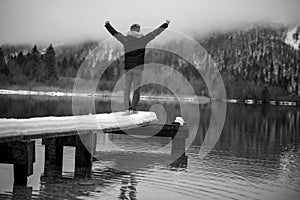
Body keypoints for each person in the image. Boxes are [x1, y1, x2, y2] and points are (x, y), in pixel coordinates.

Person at [105, 20, 170, 114]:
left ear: (130, 30)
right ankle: (134, 109)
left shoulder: (125, 39)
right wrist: (166, 24)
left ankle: (127, 109)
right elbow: (155, 33)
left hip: (128, 68)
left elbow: (114, 33)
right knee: (136, 89)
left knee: (127, 88)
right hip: (138, 69)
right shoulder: (143, 40)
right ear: (139, 31)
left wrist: (107, 25)